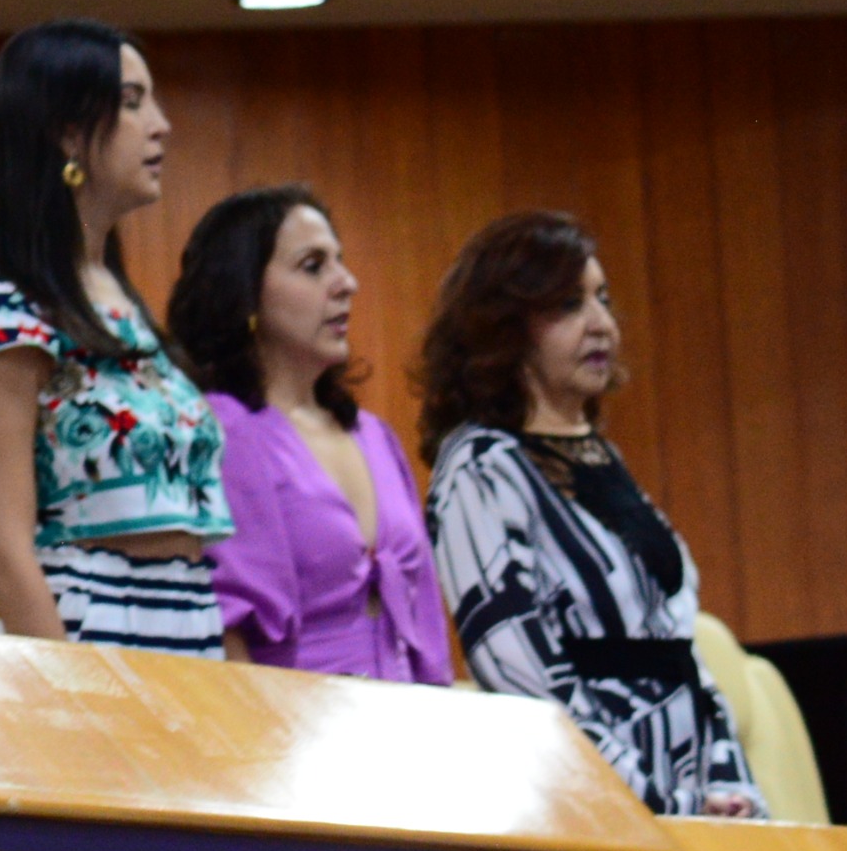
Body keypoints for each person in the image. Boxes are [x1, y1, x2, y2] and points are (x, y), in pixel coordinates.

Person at [421, 211, 762, 817]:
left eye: (602, 300)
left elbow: (677, 649)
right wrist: (658, 804)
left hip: (689, 804)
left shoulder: (604, 458)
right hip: (588, 810)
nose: (602, 324)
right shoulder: (480, 468)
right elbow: (520, 674)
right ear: (504, 326)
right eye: (568, 305)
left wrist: (731, 791)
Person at [0, 18, 230, 651]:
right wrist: (66, 689)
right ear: (66, 132)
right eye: (131, 102)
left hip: (186, 613)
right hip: (93, 622)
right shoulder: (2, 312)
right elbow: (0, 549)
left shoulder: (121, 301)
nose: (160, 124)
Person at [164, 186, 448, 680]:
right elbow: (226, 628)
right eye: (313, 266)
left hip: (407, 714)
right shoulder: (223, 430)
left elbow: (424, 620)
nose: (347, 283)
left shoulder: (374, 435)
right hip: (293, 714)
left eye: (340, 261)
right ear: (244, 291)